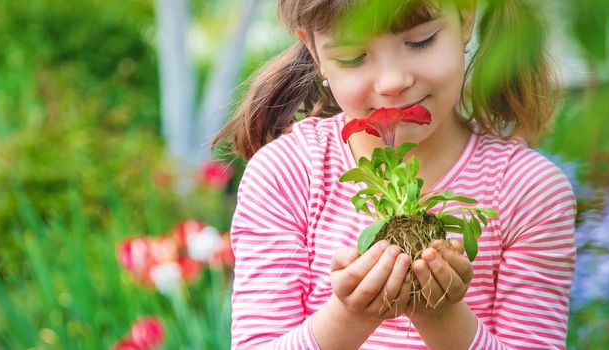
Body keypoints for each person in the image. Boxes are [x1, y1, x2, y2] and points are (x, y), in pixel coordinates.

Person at [213, 0, 576, 349]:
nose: (392, 82)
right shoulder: (288, 174)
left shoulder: (528, 191)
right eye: (353, 57)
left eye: (420, 41)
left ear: (465, 17)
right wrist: (348, 316)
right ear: (315, 53)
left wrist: (442, 316)